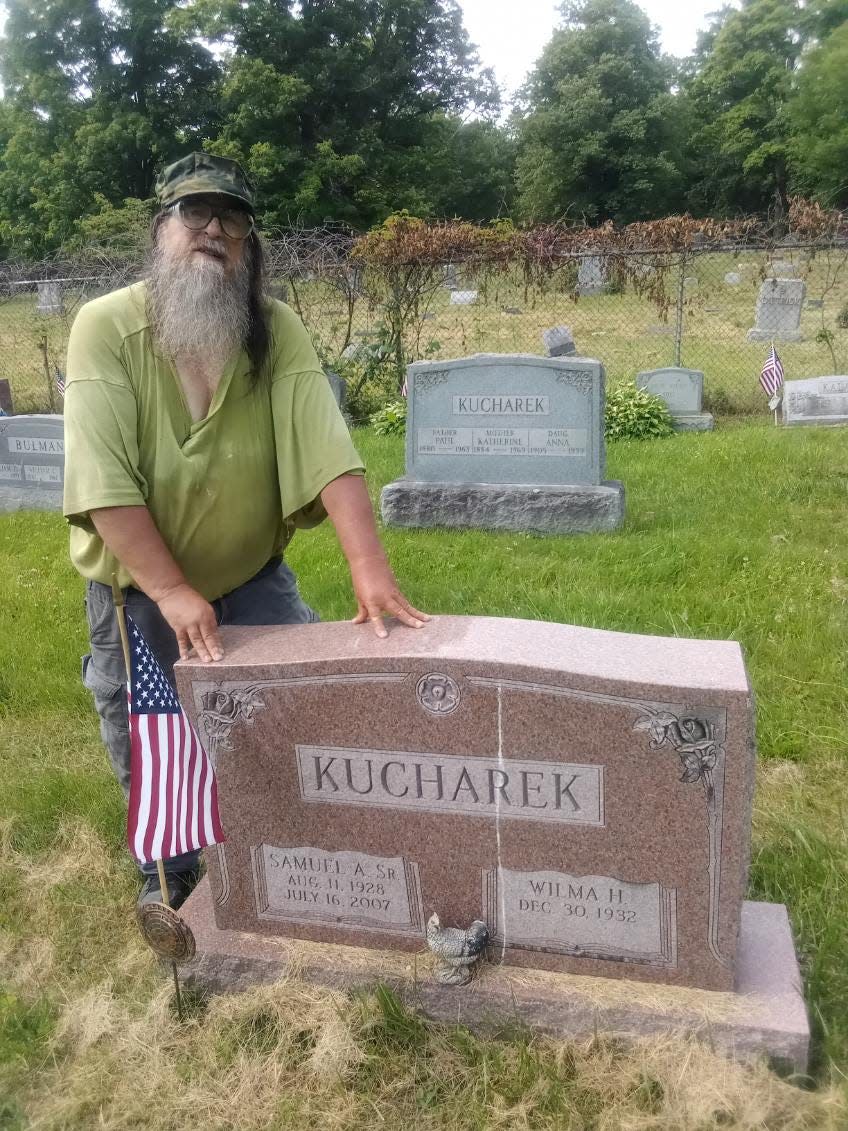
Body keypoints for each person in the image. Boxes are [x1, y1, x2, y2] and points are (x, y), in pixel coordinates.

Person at [62, 152, 428, 909]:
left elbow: (328, 447)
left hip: (254, 576)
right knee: (151, 729)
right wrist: (169, 589)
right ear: (161, 230)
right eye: (195, 214)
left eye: (233, 218)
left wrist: (369, 568)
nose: (215, 231)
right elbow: (103, 481)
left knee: (297, 707)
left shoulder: (274, 329)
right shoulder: (105, 328)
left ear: (250, 242)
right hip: (139, 591)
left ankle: (294, 842)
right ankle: (171, 869)